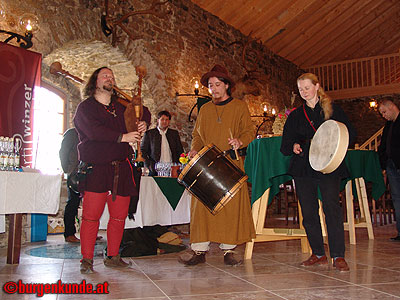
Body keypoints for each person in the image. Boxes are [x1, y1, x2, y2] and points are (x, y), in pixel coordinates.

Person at [178, 64, 255, 266]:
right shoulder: (205, 109)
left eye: (217, 84)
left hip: (230, 162)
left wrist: (240, 141)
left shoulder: (239, 107)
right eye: (211, 85)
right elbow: (197, 135)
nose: (213, 88)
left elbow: (249, 132)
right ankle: (199, 250)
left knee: (229, 207)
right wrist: (194, 149)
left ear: (227, 85)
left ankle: (229, 250)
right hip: (205, 164)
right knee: (201, 207)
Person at [73, 67, 146, 273]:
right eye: (105, 75)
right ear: (95, 82)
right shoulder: (85, 107)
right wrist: (122, 137)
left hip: (121, 167)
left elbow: (143, 110)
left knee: (118, 216)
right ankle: (86, 259)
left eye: (112, 76)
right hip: (96, 167)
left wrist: (143, 123)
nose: (110, 78)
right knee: (91, 216)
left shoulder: (120, 106)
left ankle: (113, 255)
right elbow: (93, 131)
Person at [280, 72, 356, 272]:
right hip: (303, 166)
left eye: (307, 87)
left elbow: (350, 134)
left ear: (316, 87)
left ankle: (338, 255)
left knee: (332, 209)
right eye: (300, 89)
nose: (304, 92)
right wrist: (294, 145)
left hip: (329, 165)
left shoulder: (334, 110)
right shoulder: (296, 115)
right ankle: (318, 253)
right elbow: (286, 142)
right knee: (308, 211)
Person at [378, 98, 400, 241]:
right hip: (392, 166)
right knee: (397, 199)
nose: (383, 115)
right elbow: (384, 145)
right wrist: (383, 164)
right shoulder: (388, 125)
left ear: (392, 107)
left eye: (384, 112)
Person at [140, 110, 184, 176]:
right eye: (162, 119)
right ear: (158, 120)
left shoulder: (174, 134)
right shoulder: (149, 134)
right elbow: (143, 151)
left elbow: (180, 150)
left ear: (169, 121)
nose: (164, 121)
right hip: (155, 169)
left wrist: (179, 165)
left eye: (167, 120)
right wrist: (149, 165)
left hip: (172, 169)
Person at [59, 127, 81, 243]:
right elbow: (63, 152)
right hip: (74, 173)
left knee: (89, 205)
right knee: (72, 203)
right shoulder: (72, 133)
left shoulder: (89, 132)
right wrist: (68, 170)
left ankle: (88, 232)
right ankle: (69, 233)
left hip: (87, 172)